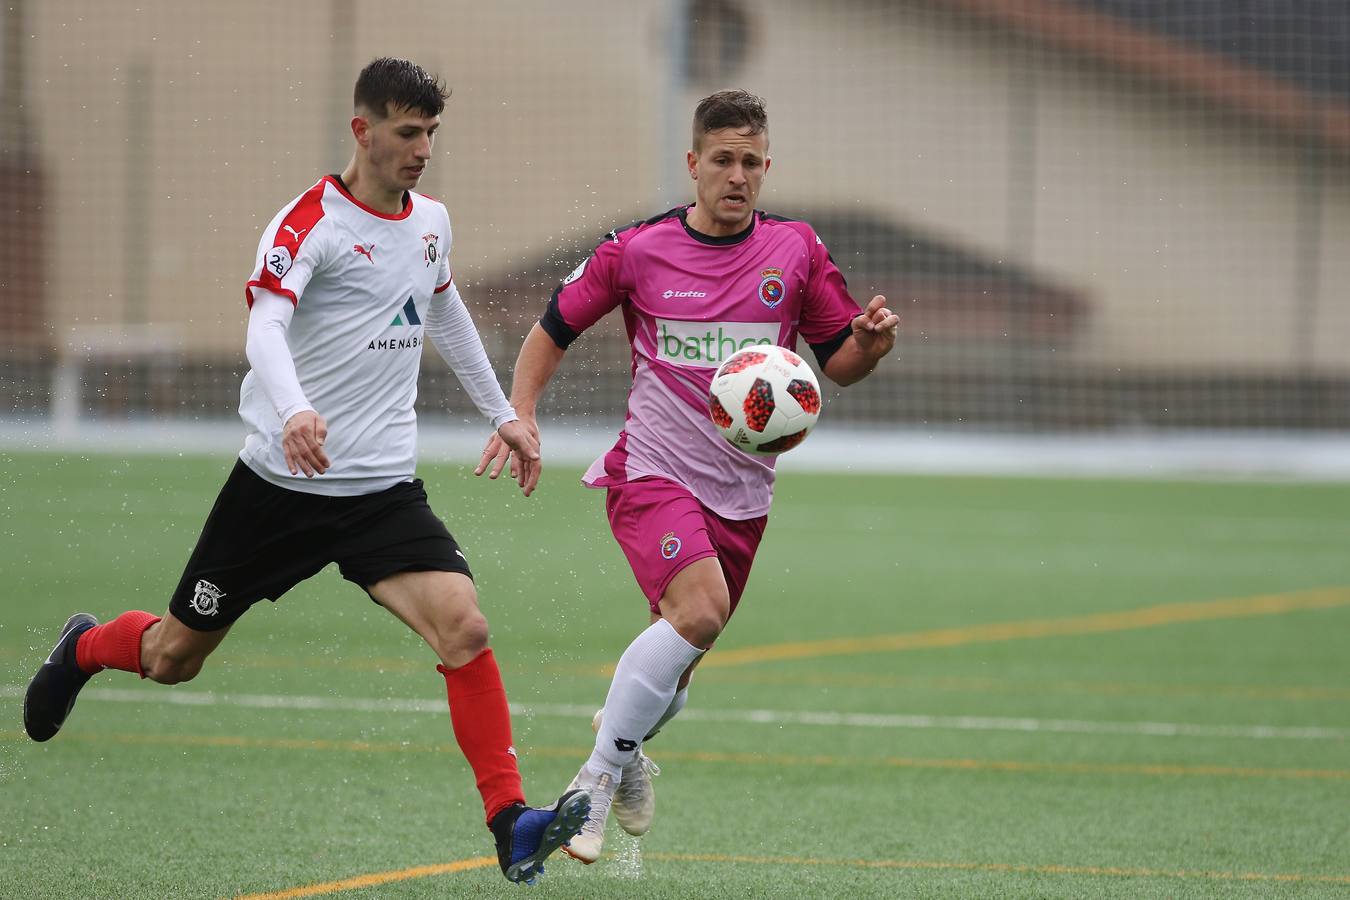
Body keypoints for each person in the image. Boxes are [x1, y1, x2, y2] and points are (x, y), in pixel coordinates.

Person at [22, 57, 588, 886]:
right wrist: (292, 411)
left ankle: (510, 822)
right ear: (363, 131)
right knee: (176, 656)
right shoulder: (307, 224)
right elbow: (264, 331)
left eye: (431, 132)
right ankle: (85, 649)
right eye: (407, 132)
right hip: (277, 489)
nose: (422, 148)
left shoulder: (431, 222)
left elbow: (446, 311)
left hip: (381, 492)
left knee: (464, 626)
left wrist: (504, 412)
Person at [476, 89, 899, 863]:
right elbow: (553, 326)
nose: (737, 177)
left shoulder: (796, 250)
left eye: (751, 163)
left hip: (742, 494)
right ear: (694, 165)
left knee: (676, 663)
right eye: (723, 161)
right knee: (699, 611)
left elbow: (838, 363)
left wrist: (870, 346)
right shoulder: (637, 250)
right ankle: (594, 781)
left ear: (766, 168)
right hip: (652, 471)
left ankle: (626, 748)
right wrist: (522, 411)